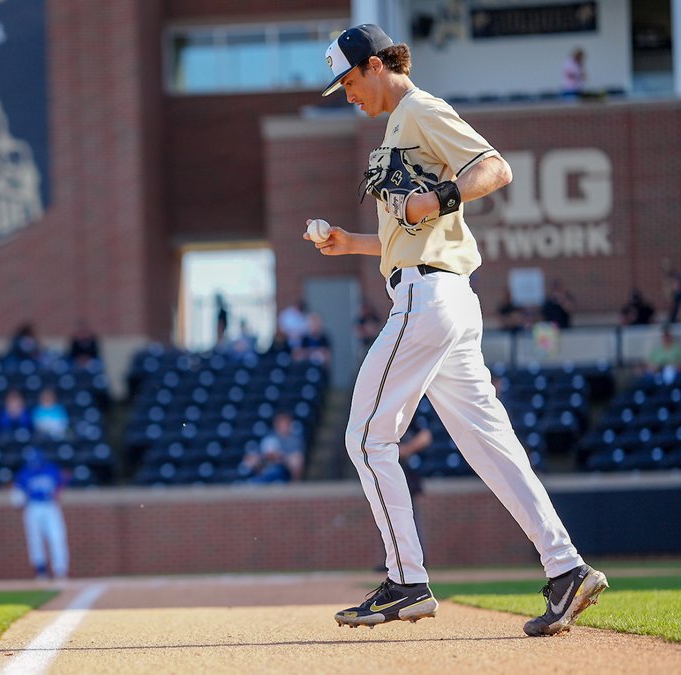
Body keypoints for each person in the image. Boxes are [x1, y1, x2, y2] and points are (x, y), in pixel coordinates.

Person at [310, 24, 606, 635]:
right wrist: (353, 245)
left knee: (366, 440)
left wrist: (441, 195)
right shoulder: (398, 125)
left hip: (427, 298)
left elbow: (494, 169)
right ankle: (566, 568)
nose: (345, 94)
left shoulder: (419, 109)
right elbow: (408, 233)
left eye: (346, 81)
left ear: (372, 66)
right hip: (439, 294)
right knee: (491, 447)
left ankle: (406, 580)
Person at [11, 449, 69, 579]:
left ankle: (60, 571)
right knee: (35, 539)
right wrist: (18, 499)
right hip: (33, 507)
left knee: (57, 537)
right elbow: (18, 494)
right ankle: (41, 571)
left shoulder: (51, 469)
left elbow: (62, 481)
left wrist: (58, 492)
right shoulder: (25, 473)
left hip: (50, 505)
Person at [243, 412, 305, 483]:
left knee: (296, 459)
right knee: (252, 459)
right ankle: (258, 480)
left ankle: (294, 484)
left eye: (285, 424)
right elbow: (264, 454)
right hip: (270, 464)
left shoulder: (294, 439)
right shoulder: (270, 437)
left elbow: (295, 456)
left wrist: (281, 457)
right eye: (281, 424)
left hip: (285, 466)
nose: (283, 426)